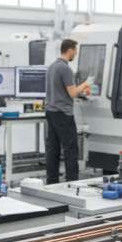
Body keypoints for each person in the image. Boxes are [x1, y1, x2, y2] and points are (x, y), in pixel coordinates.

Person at [45, 39, 93, 184]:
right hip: (63, 115)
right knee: (70, 149)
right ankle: (72, 181)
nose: (75, 55)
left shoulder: (52, 67)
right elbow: (72, 93)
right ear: (70, 51)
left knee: (53, 149)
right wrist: (86, 84)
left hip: (51, 112)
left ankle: (51, 181)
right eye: (75, 52)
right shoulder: (65, 69)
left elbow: (61, 91)